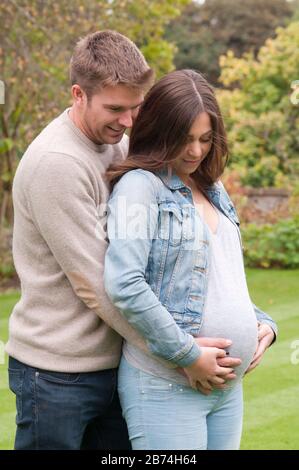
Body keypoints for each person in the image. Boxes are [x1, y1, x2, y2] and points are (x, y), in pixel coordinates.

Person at [104, 69, 278, 450]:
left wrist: (261, 325)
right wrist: (188, 354)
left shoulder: (213, 188)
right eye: (184, 139)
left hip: (225, 389)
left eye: (204, 139)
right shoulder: (139, 189)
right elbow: (124, 283)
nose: (196, 151)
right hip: (166, 384)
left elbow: (219, 280)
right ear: (159, 130)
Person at [5, 30, 156, 450]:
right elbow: (95, 281)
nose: (127, 122)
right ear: (78, 94)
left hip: (114, 364)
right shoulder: (58, 162)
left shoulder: (115, 144)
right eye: (115, 109)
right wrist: (171, 350)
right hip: (56, 374)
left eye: (135, 107)